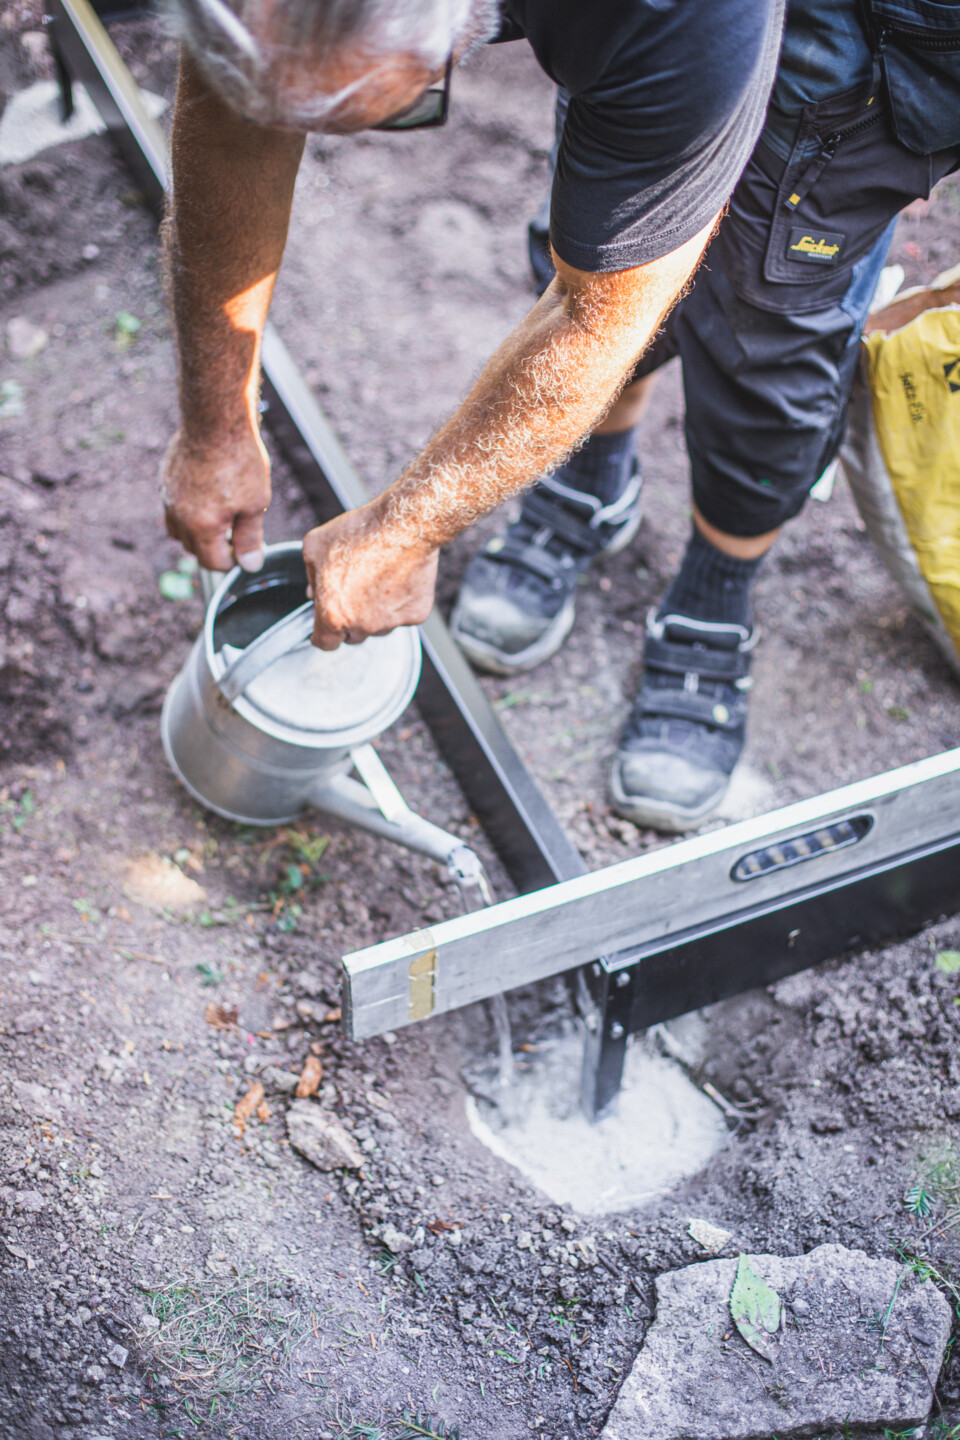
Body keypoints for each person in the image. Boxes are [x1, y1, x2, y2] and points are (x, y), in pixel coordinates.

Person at [159, 0, 783, 689]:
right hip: (631, 41)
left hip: (834, 51)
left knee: (761, 313)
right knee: (597, 221)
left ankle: (719, 587)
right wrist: (215, 426)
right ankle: (593, 479)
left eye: (389, 110)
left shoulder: (681, 20)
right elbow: (232, 139)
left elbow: (595, 314)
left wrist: (407, 532)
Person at [451, 1, 960, 831]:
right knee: (608, 241)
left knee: (773, 345)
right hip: (658, 20)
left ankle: (715, 590)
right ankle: (590, 478)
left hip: (876, 56)